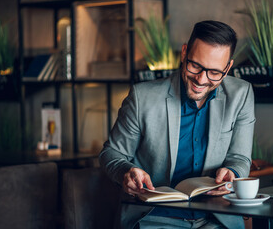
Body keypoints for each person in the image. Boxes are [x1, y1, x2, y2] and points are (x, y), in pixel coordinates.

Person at [99, 20, 255, 229]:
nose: (201, 79)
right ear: (184, 53)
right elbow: (111, 154)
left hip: (217, 217)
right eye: (195, 66)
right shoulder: (142, 97)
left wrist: (232, 173)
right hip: (156, 217)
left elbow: (240, 158)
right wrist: (127, 172)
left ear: (227, 69)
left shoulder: (241, 95)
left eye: (215, 72)